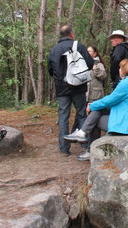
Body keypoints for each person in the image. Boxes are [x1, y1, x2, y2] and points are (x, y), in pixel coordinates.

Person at [64, 59, 128, 161]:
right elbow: (114, 102)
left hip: (125, 126)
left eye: (120, 68)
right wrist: (95, 105)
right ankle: (83, 135)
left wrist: (92, 106)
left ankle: (87, 144)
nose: (119, 70)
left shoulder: (126, 84)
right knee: (97, 110)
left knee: (95, 114)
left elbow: (110, 100)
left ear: (125, 70)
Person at [47, 25, 94, 156]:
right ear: (71, 33)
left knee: (63, 116)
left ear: (60, 35)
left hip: (62, 89)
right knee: (81, 114)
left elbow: (50, 70)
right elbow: (90, 63)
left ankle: (64, 149)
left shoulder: (54, 50)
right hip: (78, 87)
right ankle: (85, 146)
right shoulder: (78, 45)